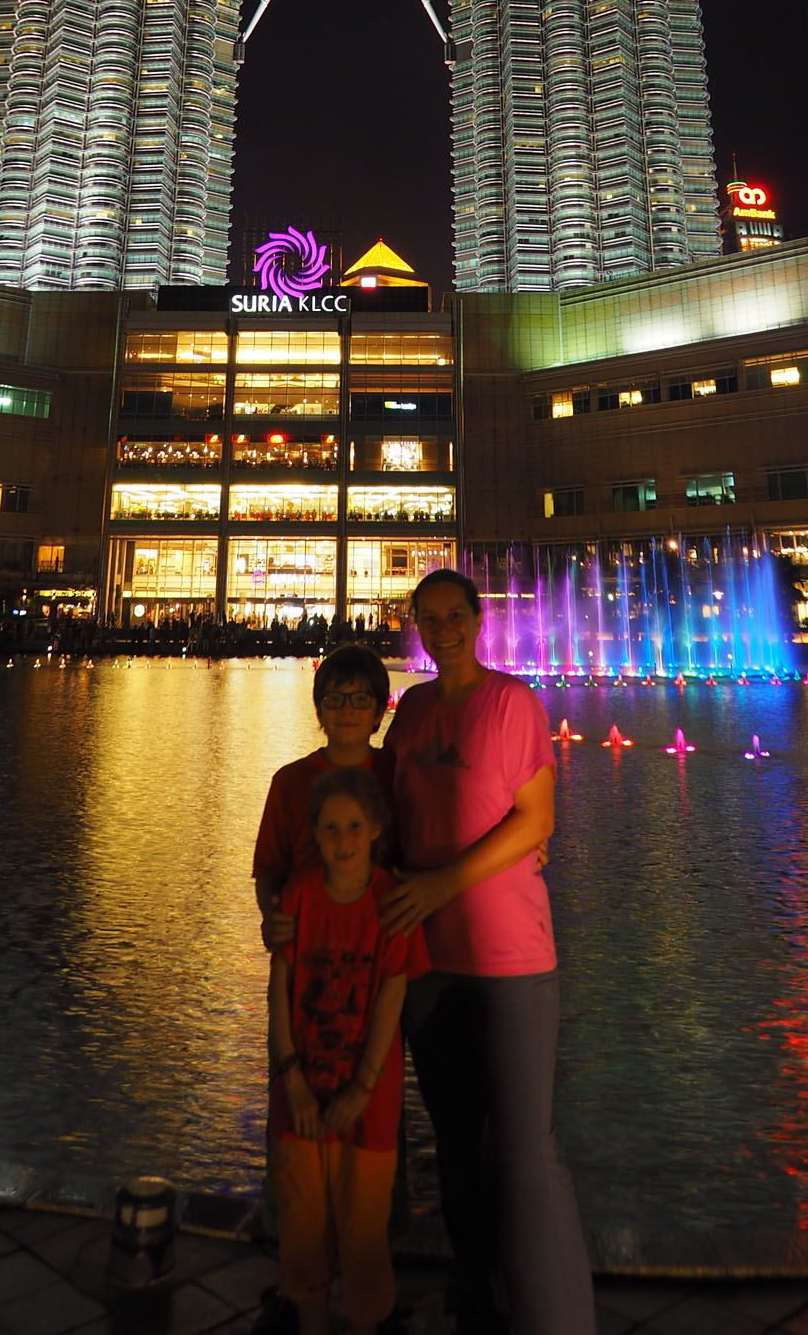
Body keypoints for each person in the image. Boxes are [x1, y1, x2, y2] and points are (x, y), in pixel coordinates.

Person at [382, 568, 594, 1335]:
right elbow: (388, 816)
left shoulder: (512, 702)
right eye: (428, 617)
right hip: (429, 960)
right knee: (454, 1136)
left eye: (454, 615)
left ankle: (554, 1314)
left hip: (509, 957)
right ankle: (476, 1288)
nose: (442, 629)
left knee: (526, 1145)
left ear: (478, 621)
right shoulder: (411, 710)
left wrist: (443, 883)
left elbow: (535, 820)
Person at [269, 768, 430, 1335]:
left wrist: (362, 1086)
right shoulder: (299, 896)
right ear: (314, 833)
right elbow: (279, 989)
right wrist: (293, 1082)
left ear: (376, 829)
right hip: (301, 1100)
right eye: (331, 828)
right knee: (303, 1232)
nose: (343, 840)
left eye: (355, 826)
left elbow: (392, 994)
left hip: (368, 1105)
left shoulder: (391, 903)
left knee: (364, 1237)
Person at [254, 644, 393, 952]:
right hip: (309, 938)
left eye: (360, 699)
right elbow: (269, 869)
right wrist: (274, 917)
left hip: (380, 940)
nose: (347, 710)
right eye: (334, 699)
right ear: (319, 711)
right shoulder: (289, 781)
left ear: (378, 714)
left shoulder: (396, 775)